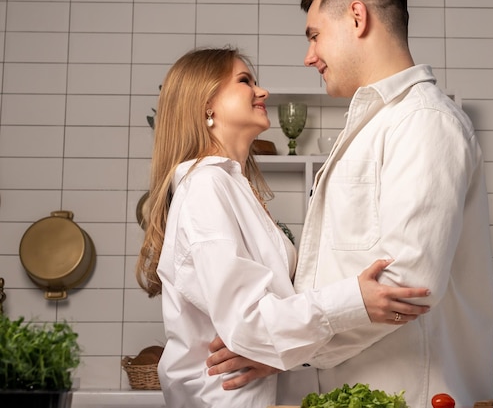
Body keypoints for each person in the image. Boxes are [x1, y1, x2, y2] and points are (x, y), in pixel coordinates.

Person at [206, 0, 493, 408]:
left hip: (412, 395)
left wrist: (285, 348)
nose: (309, 56)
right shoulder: (377, 125)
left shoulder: (424, 121)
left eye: (314, 35)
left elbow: (406, 287)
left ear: (357, 18)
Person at [135, 47, 431, 408]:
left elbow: (260, 327)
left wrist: (281, 352)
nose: (262, 92)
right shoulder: (205, 187)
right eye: (245, 81)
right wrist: (355, 300)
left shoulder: (233, 187)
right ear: (206, 104)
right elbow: (248, 324)